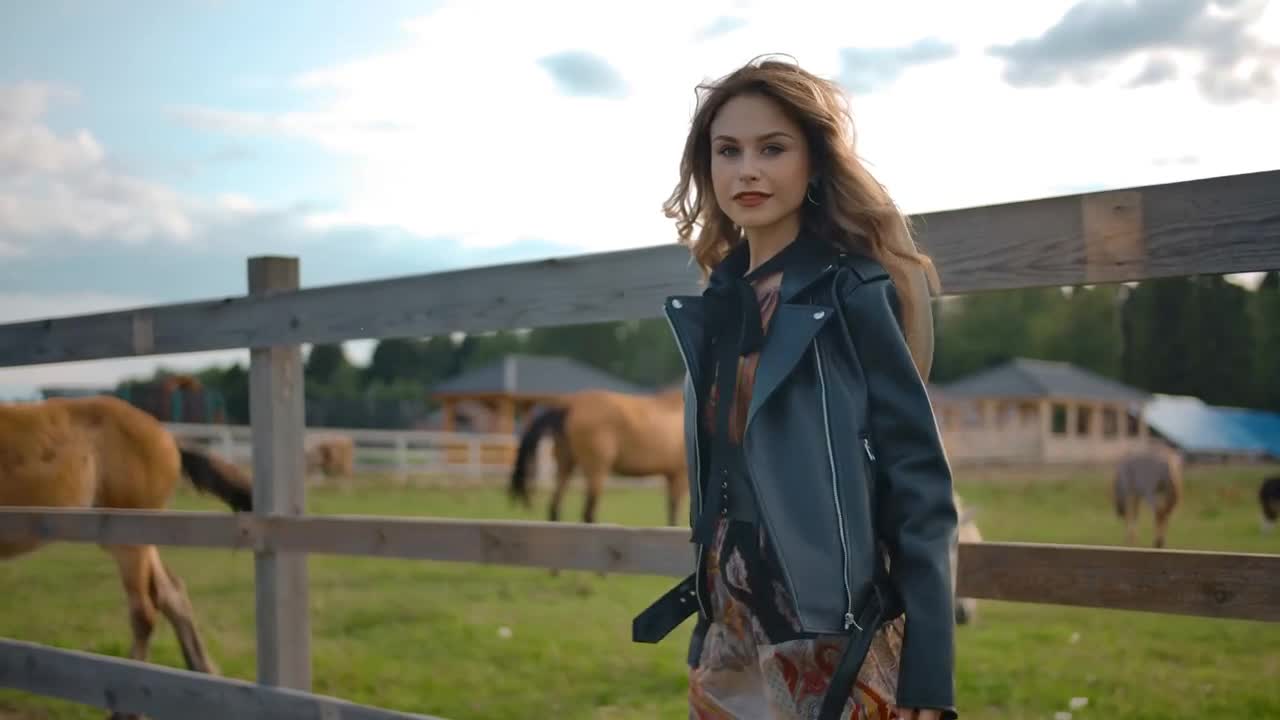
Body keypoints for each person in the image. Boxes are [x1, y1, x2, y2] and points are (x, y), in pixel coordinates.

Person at [631, 56, 960, 720]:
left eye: (772, 148)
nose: (747, 168)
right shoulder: (716, 302)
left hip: (827, 636)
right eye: (729, 151)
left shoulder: (851, 293)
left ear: (813, 163)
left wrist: (929, 672)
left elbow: (919, 485)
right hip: (726, 631)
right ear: (708, 169)